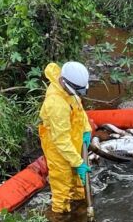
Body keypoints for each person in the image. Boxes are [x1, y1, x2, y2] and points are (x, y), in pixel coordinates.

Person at [38, 61, 93, 213]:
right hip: (57, 148)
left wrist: (86, 130)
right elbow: (61, 141)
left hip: (73, 140)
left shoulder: (69, 90)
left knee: (79, 186)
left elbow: (79, 111)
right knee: (62, 191)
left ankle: (80, 213)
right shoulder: (56, 104)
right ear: (66, 83)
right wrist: (78, 162)